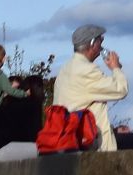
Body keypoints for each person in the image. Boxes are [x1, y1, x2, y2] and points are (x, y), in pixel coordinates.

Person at [52, 23, 128, 152]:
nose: (102, 45)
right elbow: (120, 89)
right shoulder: (87, 71)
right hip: (90, 145)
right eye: (100, 41)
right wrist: (116, 68)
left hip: (69, 140)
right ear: (92, 44)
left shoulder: (65, 69)